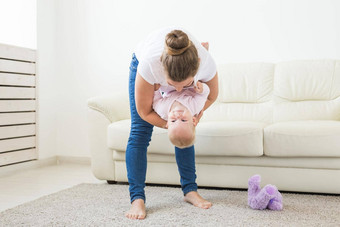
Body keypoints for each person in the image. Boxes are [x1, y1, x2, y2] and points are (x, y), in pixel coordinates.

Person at [125, 27, 219, 220]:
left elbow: (212, 96)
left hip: (185, 72)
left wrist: (192, 118)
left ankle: (190, 190)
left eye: (184, 84)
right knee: (140, 133)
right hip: (148, 69)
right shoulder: (150, 64)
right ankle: (137, 199)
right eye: (172, 83)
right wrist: (171, 123)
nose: (177, 89)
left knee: (184, 132)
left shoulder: (205, 64)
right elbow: (144, 112)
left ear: (197, 67)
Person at [153, 81, 210, 148]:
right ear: (193, 120)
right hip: (190, 83)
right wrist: (202, 89)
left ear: (167, 123)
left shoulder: (163, 110)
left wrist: (156, 89)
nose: (178, 116)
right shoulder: (195, 107)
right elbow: (205, 94)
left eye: (173, 121)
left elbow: (156, 101)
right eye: (183, 120)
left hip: (168, 85)